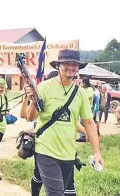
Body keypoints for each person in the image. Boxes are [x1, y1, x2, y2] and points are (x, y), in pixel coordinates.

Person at [24, 49, 104, 195]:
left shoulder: (80, 93)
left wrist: (97, 152)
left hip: (68, 154)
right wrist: (34, 100)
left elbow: (89, 123)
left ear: (78, 68)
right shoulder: (44, 87)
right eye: (66, 63)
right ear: (58, 66)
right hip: (45, 151)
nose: (71, 67)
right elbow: (30, 117)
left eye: (75, 64)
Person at [76, 77, 94, 142]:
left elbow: (89, 97)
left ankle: (86, 136)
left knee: (86, 122)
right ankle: (83, 136)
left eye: (82, 82)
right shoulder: (81, 89)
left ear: (84, 82)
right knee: (81, 122)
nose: (81, 83)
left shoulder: (90, 89)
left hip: (88, 107)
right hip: (81, 107)